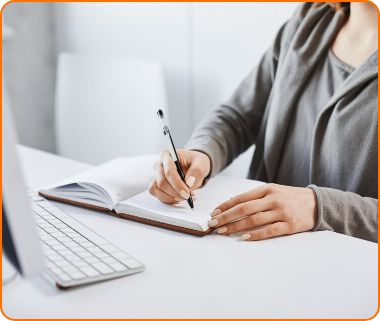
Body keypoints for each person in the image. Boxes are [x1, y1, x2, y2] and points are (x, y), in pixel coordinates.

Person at [149, 2, 378, 242]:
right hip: (258, 250)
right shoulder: (308, 20)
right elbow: (238, 114)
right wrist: (202, 153)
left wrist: (320, 208)